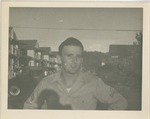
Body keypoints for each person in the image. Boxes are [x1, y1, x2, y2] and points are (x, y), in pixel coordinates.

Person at [24, 37, 128, 110]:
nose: (75, 60)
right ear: (59, 59)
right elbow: (29, 107)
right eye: (69, 56)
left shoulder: (94, 83)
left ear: (82, 59)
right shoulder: (46, 83)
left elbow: (120, 103)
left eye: (78, 56)